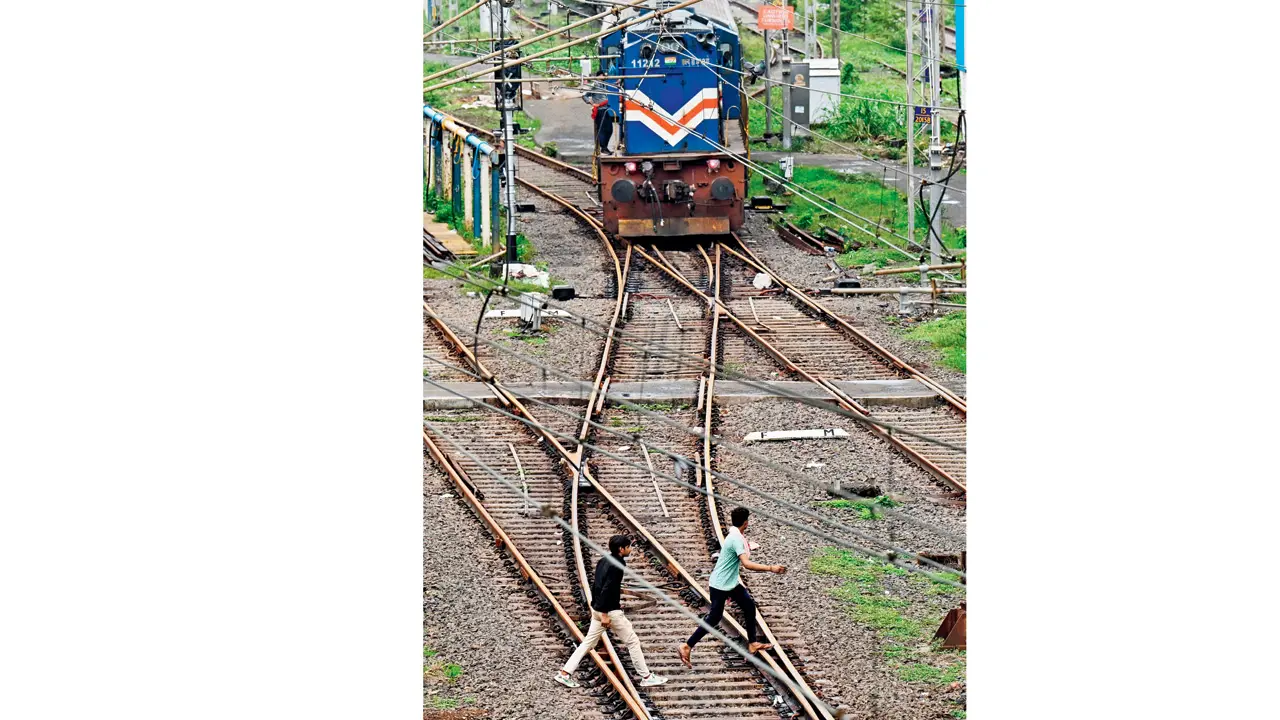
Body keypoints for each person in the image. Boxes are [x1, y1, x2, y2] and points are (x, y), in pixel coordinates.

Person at [678, 507, 786, 668]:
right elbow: (747, 564)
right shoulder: (735, 538)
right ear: (746, 522)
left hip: (730, 583)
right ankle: (687, 646)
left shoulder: (735, 535)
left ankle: (753, 643)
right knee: (714, 617)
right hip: (721, 585)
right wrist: (771, 568)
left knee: (749, 607)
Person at [556, 535, 667, 688]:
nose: (630, 549)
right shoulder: (618, 565)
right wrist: (604, 614)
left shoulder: (604, 560)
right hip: (609, 611)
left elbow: (596, 586)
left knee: (588, 642)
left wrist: (596, 608)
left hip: (597, 608)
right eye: (629, 547)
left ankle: (565, 673)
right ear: (621, 549)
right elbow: (607, 589)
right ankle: (646, 676)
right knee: (632, 641)